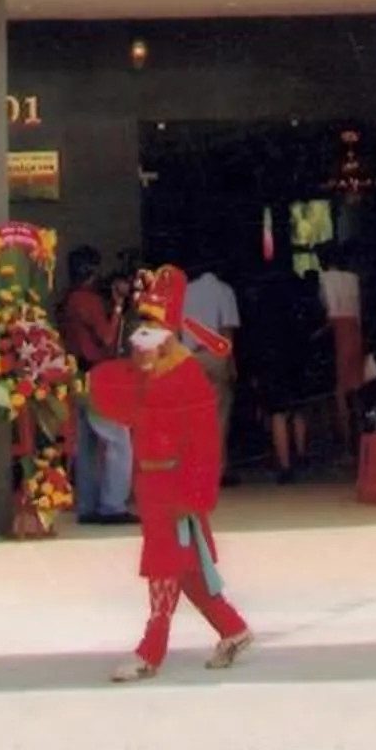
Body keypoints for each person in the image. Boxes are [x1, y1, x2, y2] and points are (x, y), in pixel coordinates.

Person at [85, 264, 253, 682]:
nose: (140, 344)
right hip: (154, 485)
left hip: (177, 487)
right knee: (188, 569)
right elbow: (113, 394)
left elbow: (204, 442)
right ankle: (233, 629)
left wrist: (195, 493)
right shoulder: (146, 375)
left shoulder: (188, 375)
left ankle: (150, 651)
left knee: (164, 566)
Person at [57, 244, 132, 524]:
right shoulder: (86, 301)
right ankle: (112, 506)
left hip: (77, 375)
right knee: (119, 441)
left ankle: (88, 505)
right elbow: (107, 339)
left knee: (86, 445)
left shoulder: (67, 300)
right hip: (98, 374)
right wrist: (116, 306)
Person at [251, 264, 328, 482]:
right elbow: (316, 327)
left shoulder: (262, 309)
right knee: (298, 409)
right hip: (297, 359)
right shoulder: (300, 304)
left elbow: (254, 339)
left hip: (272, 362)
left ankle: (284, 465)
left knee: (277, 413)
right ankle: (301, 455)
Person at [181, 266, 242, 480]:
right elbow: (227, 331)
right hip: (214, 357)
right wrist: (231, 363)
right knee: (218, 416)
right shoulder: (224, 291)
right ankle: (216, 471)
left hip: (188, 356)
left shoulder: (184, 291)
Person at [318, 244, 365, 454]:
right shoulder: (353, 278)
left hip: (336, 331)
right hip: (354, 330)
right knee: (355, 385)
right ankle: (359, 432)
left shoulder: (325, 279)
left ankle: (345, 438)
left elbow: (328, 308)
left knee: (338, 388)